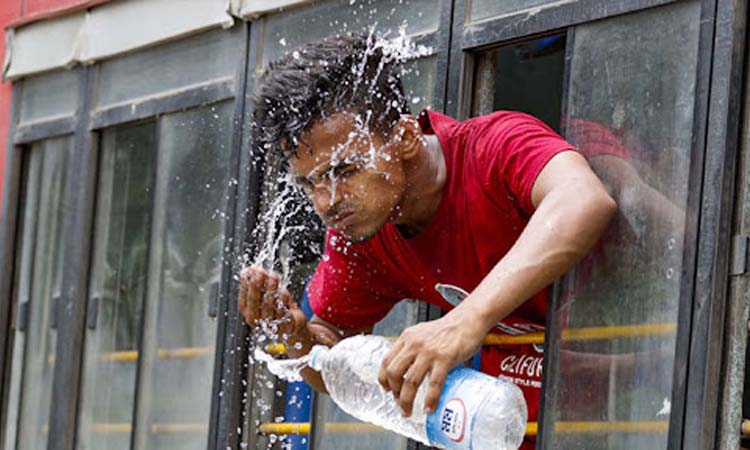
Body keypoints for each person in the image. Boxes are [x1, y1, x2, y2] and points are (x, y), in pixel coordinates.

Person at [238, 32, 617, 449]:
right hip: (520, 418)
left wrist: (463, 321)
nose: (326, 203)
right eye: (310, 184)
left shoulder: (495, 145)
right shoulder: (360, 232)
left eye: (344, 172)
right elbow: (334, 352)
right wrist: (296, 337)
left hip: (656, 388)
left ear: (403, 137)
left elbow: (583, 199)